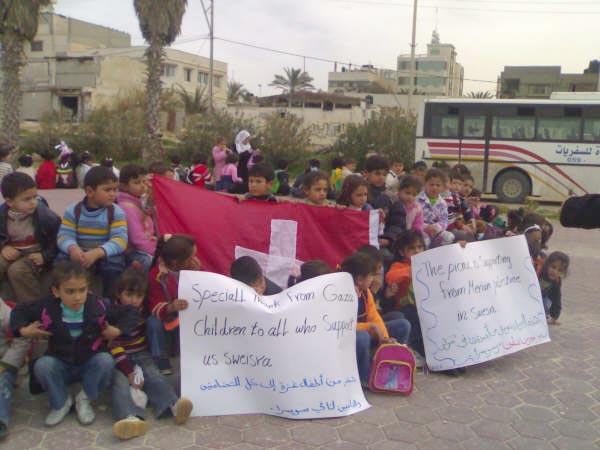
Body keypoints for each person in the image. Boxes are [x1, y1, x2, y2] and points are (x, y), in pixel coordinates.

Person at [10, 261, 138, 427]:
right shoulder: (47, 307)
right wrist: (22, 331)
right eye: (70, 291)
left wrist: (118, 330)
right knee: (42, 365)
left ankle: (84, 399)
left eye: (81, 290)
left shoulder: (98, 305)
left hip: (88, 363)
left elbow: (130, 312)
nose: (77, 297)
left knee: (105, 360)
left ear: (88, 288)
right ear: (56, 291)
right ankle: (61, 403)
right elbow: (20, 310)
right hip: (60, 361)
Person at [110, 268, 192, 440]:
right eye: (129, 294)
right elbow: (113, 344)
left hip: (141, 353)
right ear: (119, 293)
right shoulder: (112, 314)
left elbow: (159, 311)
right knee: (120, 384)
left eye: (138, 296)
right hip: (119, 358)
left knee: (154, 376)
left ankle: (172, 405)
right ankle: (130, 418)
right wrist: (128, 371)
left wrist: (172, 306)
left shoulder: (142, 310)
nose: (134, 300)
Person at [340, 252, 411, 387]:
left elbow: (374, 316)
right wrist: (369, 327)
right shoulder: (342, 294)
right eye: (371, 276)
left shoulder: (365, 293)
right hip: (349, 338)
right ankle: (363, 379)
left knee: (403, 325)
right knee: (363, 337)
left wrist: (384, 338)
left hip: (369, 332)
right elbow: (342, 325)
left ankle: (391, 370)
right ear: (360, 279)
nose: (373, 279)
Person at [56, 166, 128, 297]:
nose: (113, 194)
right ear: (89, 191)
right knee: (60, 263)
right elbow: (64, 235)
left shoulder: (116, 212)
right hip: (79, 252)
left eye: (115, 190)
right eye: (107, 190)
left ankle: (108, 301)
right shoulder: (73, 211)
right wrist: (72, 248)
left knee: (114, 266)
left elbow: (120, 240)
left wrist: (99, 252)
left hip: (104, 254)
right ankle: (60, 297)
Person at [0, 173, 61, 302]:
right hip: (12, 251)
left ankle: (32, 309)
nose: (33, 202)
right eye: (26, 199)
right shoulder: (2, 215)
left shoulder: (46, 217)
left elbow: (56, 241)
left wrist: (44, 256)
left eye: (35, 197)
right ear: (9, 201)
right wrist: (3, 247)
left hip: (34, 255)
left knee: (17, 271)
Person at [146, 234, 199, 375]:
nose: (194, 260)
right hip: (167, 316)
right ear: (176, 263)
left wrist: (199, 272)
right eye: (191, 258)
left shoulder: (192, 268)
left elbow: (201, 288)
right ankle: (161, 357)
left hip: (187, 313)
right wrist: (171, 307)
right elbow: (154, 306)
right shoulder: (157, 275)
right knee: (153, 323)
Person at [382, 231, 426, 364]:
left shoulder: (430, 263)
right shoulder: (399, 266)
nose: (417, 251)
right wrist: (415, 270)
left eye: (420, 247)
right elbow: (391, 277)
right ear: (402, 252)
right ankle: (417, 351)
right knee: (413, 312)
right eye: (412, 248)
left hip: (427, 308)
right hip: (404, 311)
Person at [117, 164, 157, 271]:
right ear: (124, 186)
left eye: (144, 181)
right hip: (134, 252)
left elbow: (147, 214)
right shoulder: (126, 207)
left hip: (144, 246)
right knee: (151, 261)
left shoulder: (136, 202)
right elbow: (136, 239)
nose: (143, 186)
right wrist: (156, 252)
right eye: (137, 182)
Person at [0, 298, 30, 438]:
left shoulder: (4, 313)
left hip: (4, 360)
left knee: (2, 381)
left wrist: (6, 365)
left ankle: (1, 419)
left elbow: (22, 337)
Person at [417, 168, 453, 248]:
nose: (434, 188)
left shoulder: (442, 203)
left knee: (449, 237)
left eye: (438, 185)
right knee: (424, 240)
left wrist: (436, 228)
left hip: (436, 231)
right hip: (420, 230)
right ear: (425, 184)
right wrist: (426, 227)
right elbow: (414, 219)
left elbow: (444, 220)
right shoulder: (418, 199)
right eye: (431, 184)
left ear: (443, 187)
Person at [539, 251, 569, 325]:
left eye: (560, 270)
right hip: (527, 296)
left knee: (546, 302)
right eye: (553, 267)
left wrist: (554, 317)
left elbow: (556, 298)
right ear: (547, 265)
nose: (555, 272)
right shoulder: (539, 272)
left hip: (541, 298)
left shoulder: (556, 281)